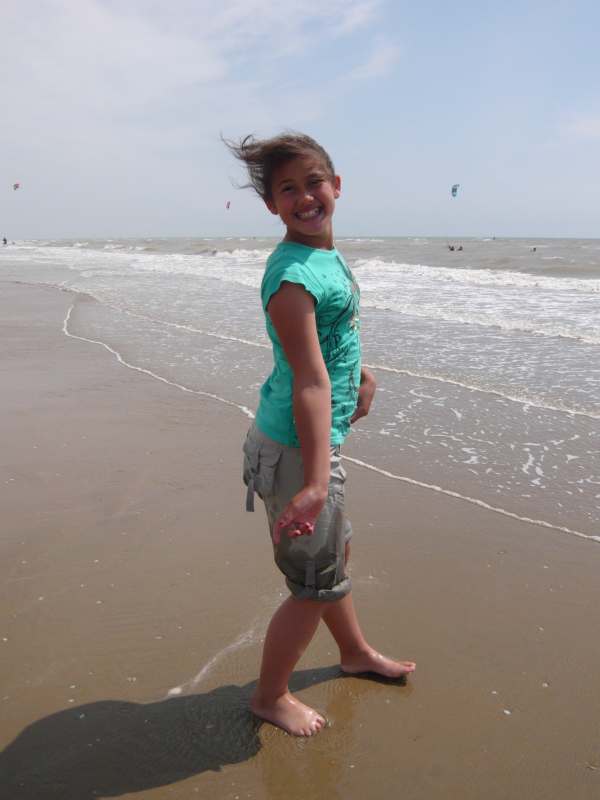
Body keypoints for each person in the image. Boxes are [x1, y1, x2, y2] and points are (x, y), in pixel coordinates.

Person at [225, 132, 415, 737]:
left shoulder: (324, 258)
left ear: (337, 186)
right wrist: (312, 480)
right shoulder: (292, 277)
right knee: (312, 586)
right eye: (288, 189)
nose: (305, 197)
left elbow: (330, 340)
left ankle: (354, 652)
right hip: (296, 452)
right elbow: (308, 380)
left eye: (314, 183)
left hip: (302, 444)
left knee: (334, 559)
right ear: (272, 206)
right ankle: (270, 695)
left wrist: (362, 374)